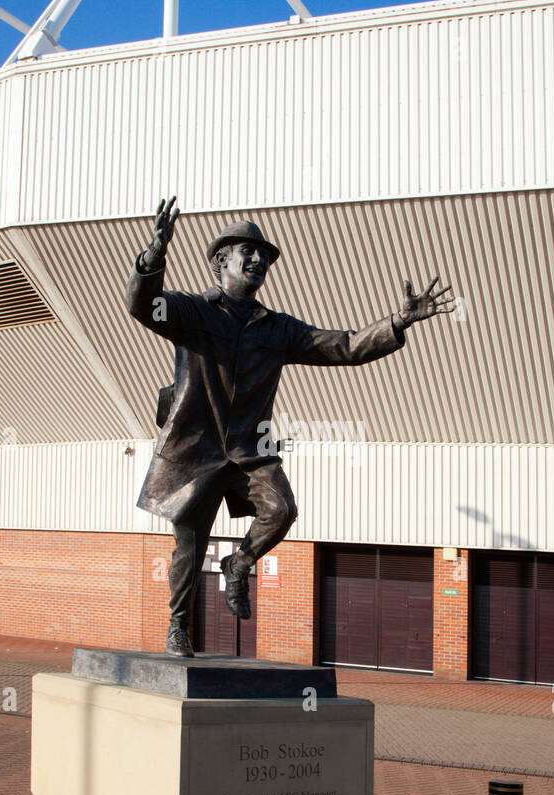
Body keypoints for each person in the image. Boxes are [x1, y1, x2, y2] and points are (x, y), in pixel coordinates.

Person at [127, 196, 456, 657]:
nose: (260, 260)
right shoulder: (193, 312)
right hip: (195, 450)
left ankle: (239, 564)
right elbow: (144, 306)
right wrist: (152, 258)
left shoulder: (276, 328)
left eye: (265, 257)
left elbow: (344, 346)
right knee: (189, 542)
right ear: (222, 261)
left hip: (248, 450)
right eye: (250, 253)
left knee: (280, 509)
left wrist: (397, 321)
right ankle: (178, 626)